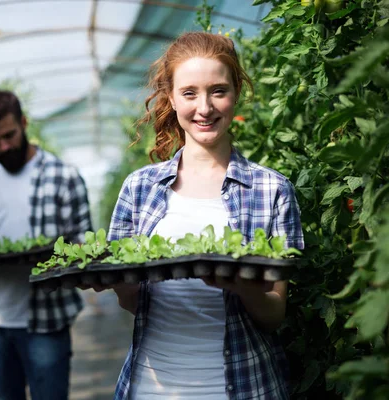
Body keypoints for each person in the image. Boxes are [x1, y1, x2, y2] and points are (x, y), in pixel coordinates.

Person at [103, 32, 304, 399]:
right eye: (190, 92)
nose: (205, 108)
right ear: (172, 98)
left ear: (236, 93)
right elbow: (134, 302)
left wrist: (242, 285)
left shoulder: (272, 190)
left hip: (243, 387)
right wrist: (118, 280)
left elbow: (274, 314)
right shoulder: (139, 188)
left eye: (218, 91)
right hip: (151, 387)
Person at [0, 90, 92, 400]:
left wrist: (60, 255)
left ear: (23, 123)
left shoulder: (63, 177)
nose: (4, 146)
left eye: (9, 135)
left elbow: (85, 241)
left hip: (46, 319)